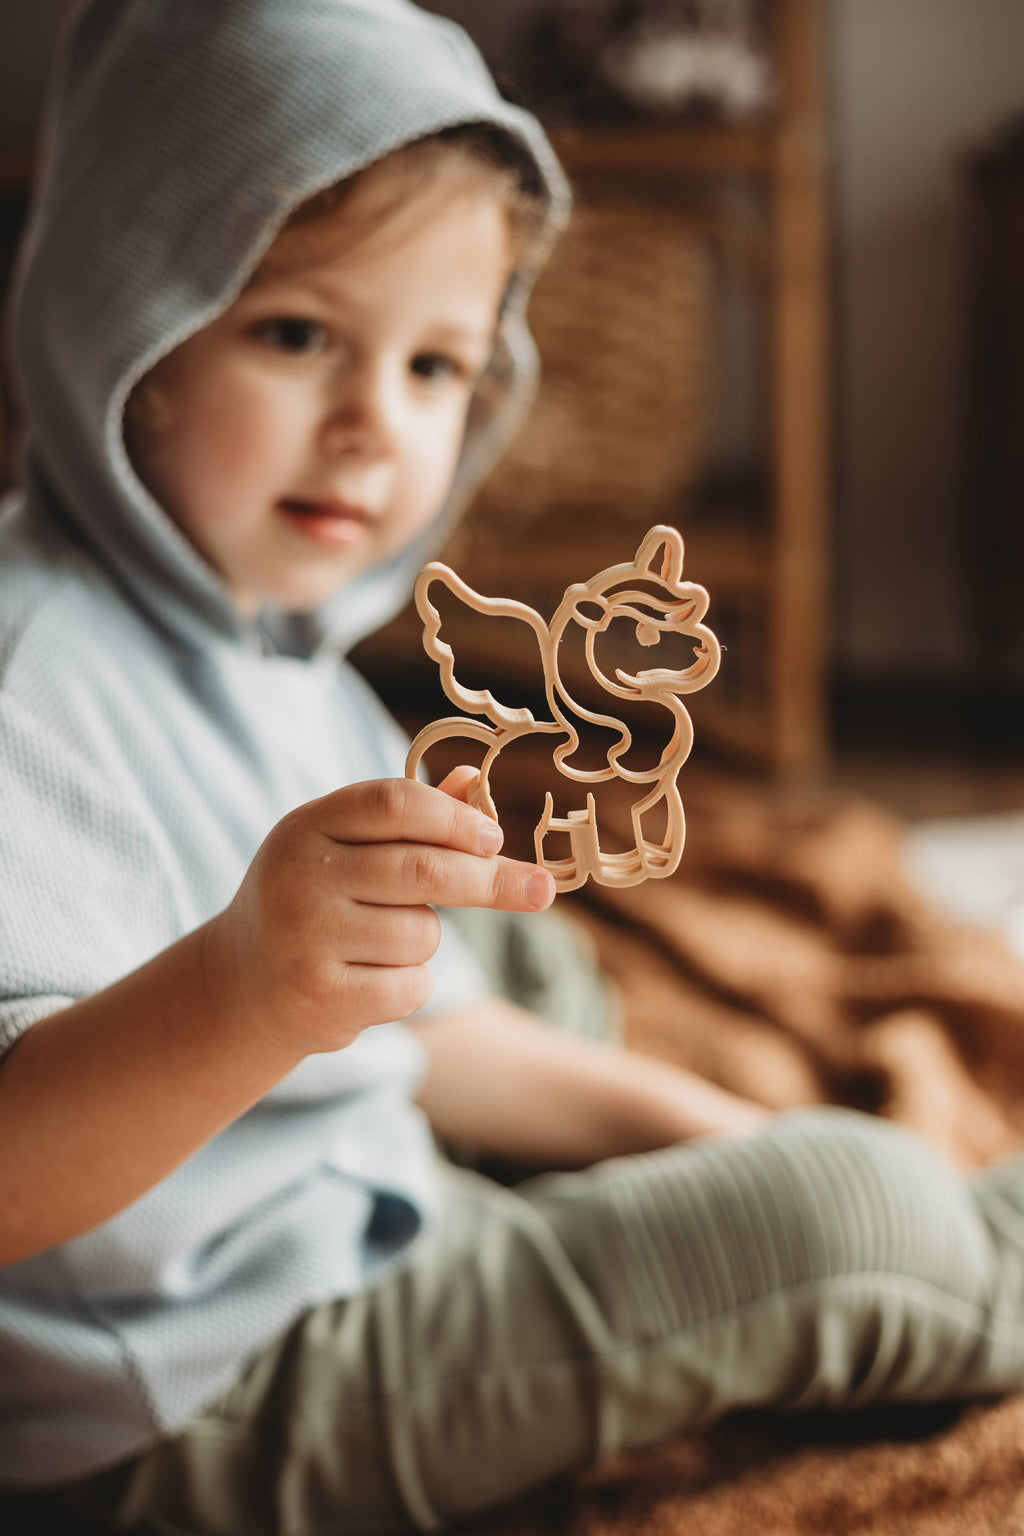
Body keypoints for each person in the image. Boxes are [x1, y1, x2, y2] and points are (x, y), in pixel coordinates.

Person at [1, 3, 1023, 1532]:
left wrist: (705, 1129)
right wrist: (241, 993)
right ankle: (981, 1260)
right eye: (297, 334)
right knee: (833, 1218)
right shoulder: (29, 684)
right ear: (127, 330)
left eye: (436, 365)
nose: (373, 424)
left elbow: (432, 1035)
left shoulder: (263, 645)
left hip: (362, 1198)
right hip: (194, 1396)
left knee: (528, 955)